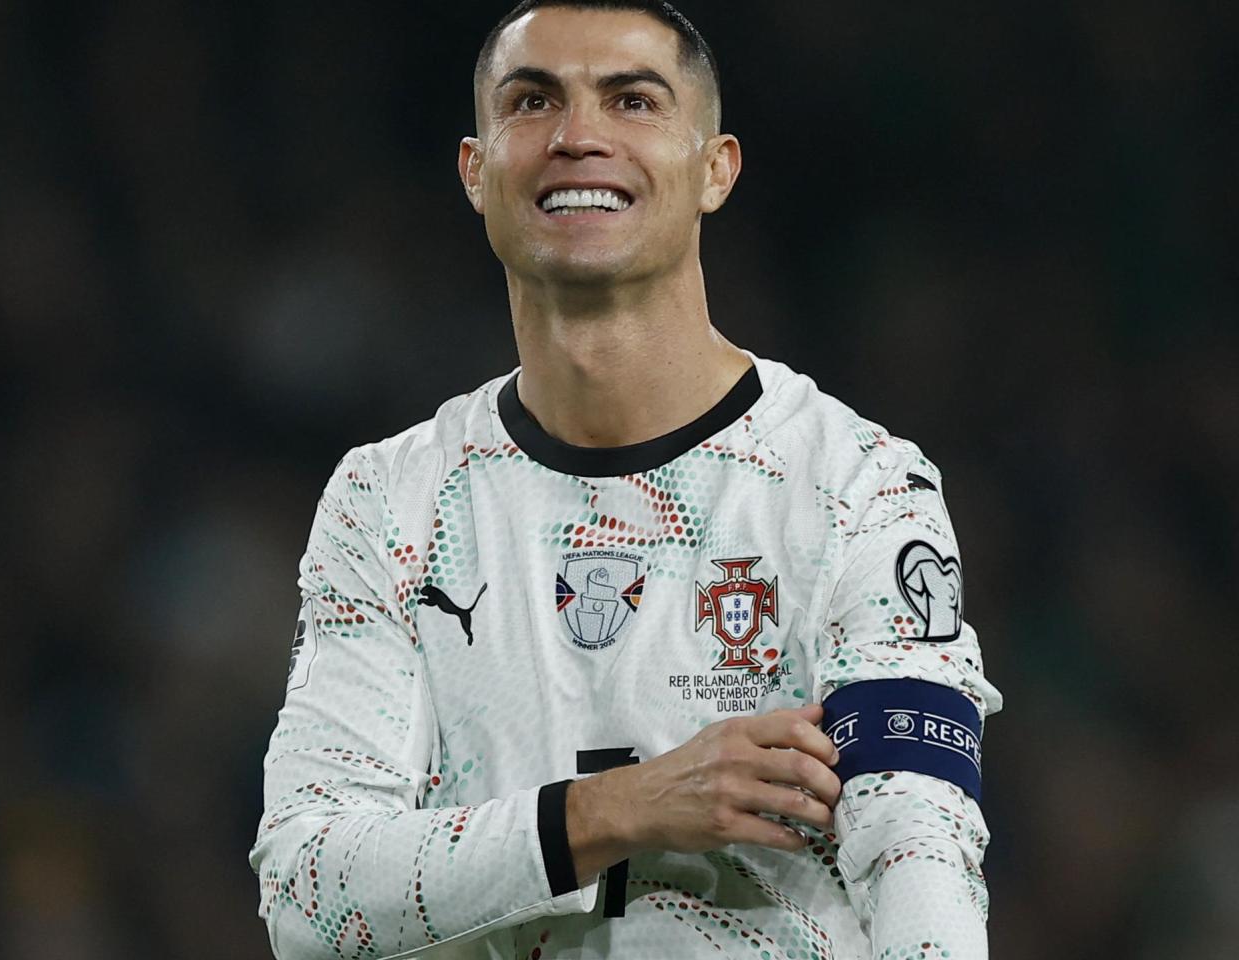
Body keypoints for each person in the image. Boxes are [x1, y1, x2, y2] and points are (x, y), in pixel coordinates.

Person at [248, 1, 1003, 957]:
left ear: (714, 170)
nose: (577, 137)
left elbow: (918, 857)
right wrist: (619, 808)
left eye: (632, 101)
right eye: (532, 102)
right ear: (477, 173)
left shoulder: (857, 487)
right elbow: (310, 900)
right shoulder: (390, 502)